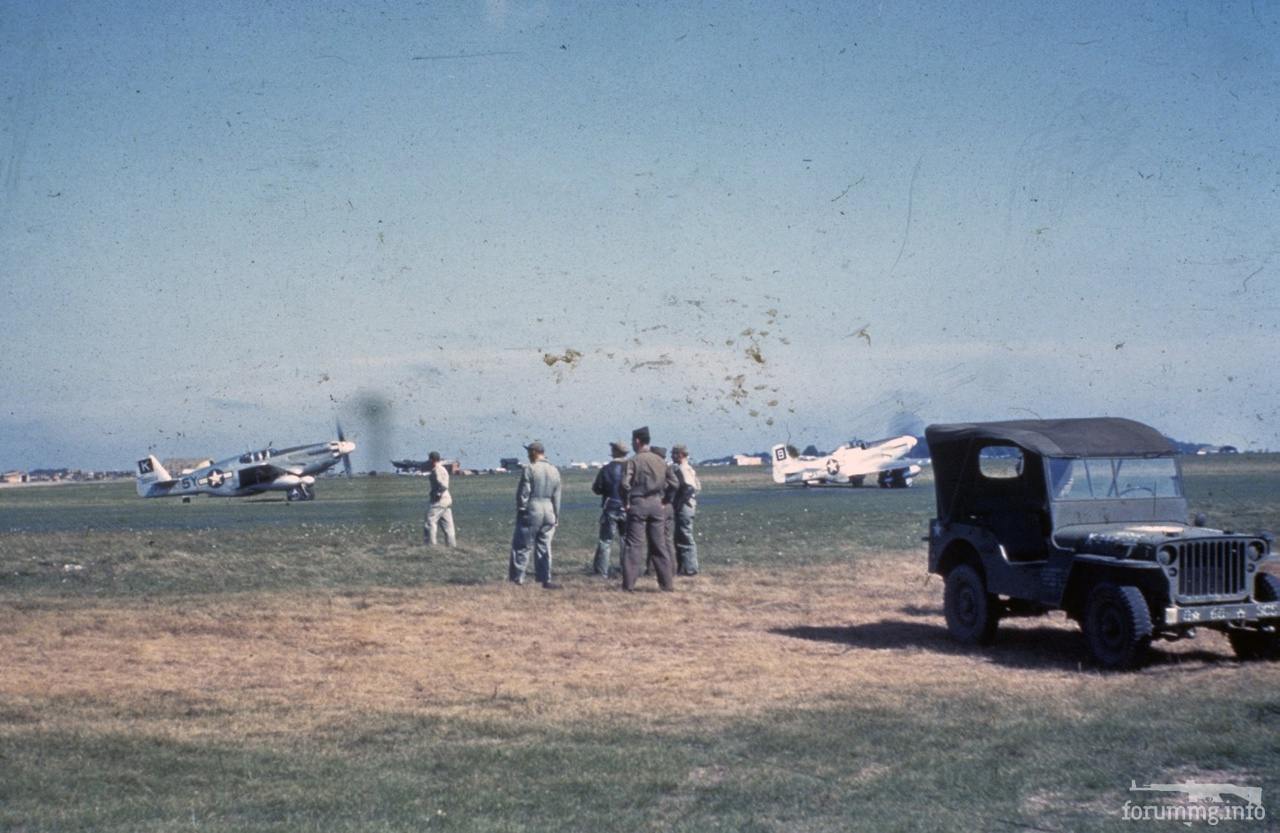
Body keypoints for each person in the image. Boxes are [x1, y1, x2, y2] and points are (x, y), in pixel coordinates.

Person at [620, 426, 676, 591]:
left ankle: (629, 585)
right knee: (659, 545)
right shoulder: (661, 460)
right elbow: (674, 483)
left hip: (638, 503)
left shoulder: (633, 460)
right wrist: (666, 500)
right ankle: (667, 584)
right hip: (657, 504)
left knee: (634, 545)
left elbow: (624, 484)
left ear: (637, 441)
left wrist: (626, 501)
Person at [508, 441, 562, 588]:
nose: (527, 455)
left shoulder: (530, 469)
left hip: (533, 509)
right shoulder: (554, 470)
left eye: (529, 452)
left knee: (522, 546)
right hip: (549, 510)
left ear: (533, 452)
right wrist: (556, 516)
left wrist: (521, 509)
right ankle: (545, 579)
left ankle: (517, 579)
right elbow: (557, 496)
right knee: (544, 547)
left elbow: (524, 493)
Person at [591, 441, 628, 577]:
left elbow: (597, 489)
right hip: (627, 508)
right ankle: (627, 570)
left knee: (606, 540)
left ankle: (601, 572)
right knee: (626, 539)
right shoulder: (631, 467)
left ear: (615, 451)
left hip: (610, 507)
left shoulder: (606, 469)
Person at [671, 444, 701, 575]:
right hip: (689, 505)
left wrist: (679, 503)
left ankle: (690, 568)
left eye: (674, 453)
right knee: (682, 535)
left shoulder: (682, 469)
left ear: (680, 455)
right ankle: (684, 567)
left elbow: (689, 488)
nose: (671, 456)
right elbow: (698, 487)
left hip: (685, 506)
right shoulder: (690, 469)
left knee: (684, 535)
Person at [423, 451, 456, 547]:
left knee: (430, 522)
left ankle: (430, 545)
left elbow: (443, 485)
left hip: (439, 500)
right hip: (446, 500)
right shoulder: (442, 468)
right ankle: (452, 546)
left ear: (432, 460)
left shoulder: (436, 470)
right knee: (448, 526)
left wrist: (438, 493)